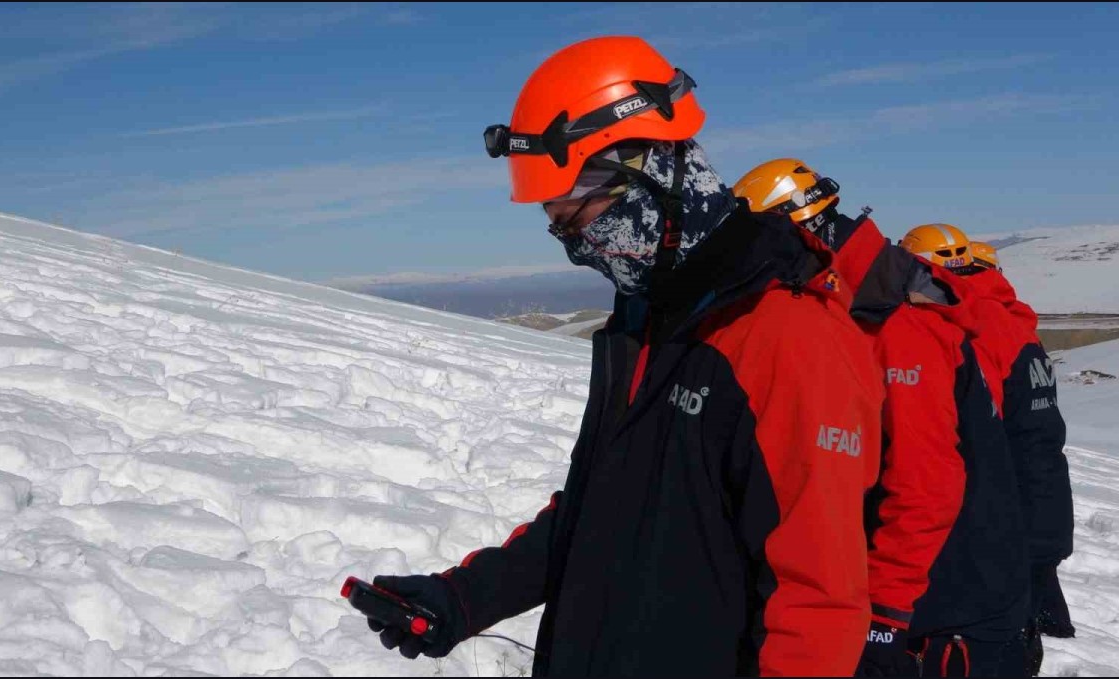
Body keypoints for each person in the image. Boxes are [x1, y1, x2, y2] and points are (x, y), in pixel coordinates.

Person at [352, 37, 885, 676]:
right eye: (556, 221)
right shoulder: (643, 321)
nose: (573, 242)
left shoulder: (786, 340)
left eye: (577, 212)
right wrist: (463, 600)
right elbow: (600, 512)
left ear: (654, 173)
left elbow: (820, 605)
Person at [733, 161, 1030, 677]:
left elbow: (926, 486)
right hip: (948, 591)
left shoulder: (898, 323)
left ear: (797, 230)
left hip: (940, 609)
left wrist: (886, 613)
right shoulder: (879, 293)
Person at [901, 228, 1076, 676]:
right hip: (1021, 528)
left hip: (975, 533)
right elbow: (1041, 448)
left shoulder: (964, 326)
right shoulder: (1016, 327)